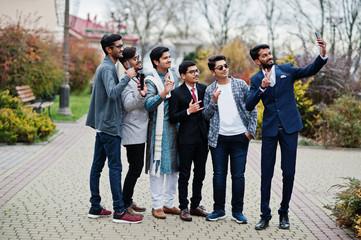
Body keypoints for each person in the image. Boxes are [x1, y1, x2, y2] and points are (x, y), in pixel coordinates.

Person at [246, 38, 327, 230]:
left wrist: (322, 55)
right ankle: (265, 215)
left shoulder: (287, 70)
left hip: (290, 128)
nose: (269, 56)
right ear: (257, 61)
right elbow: (249, 105)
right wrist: (262, 88)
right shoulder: (255, 80)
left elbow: (309, 70)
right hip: (270, 130)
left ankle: (284, 212)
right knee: (266, 174)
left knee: (288, 172)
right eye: (264, 55)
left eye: (269, 53)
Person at [85, 34, 142, 224]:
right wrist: (127, 77)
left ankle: (95, 206)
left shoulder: (106, 67)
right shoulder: (108, 69)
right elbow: (112, 93)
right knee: (115, 168)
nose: (121, 49)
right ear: (109, 49)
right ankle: (119, 211)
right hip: (109, 127)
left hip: (103, 125)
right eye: (118, 46)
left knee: (97, 167)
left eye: (122, 45)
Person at [202, 55, 257, 223]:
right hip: (218, 140)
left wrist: (250, 132)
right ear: (213, 72)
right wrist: (213, 101)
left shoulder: (240, 85)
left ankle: (237, 212)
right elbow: (206, 115)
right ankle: (219, 210)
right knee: (219, 175)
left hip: (240, 137)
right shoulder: (210, 90)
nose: (224, 69)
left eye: (225, 65)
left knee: (238, 176)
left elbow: (252, 108)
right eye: (220, 67)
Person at [169, 60, 210, 221]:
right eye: (192, 72)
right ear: (183, 75)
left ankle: (195, 206)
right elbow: (172, 117)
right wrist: (188, 110)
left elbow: (207, 114)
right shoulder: (177, 93)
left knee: (200, 173)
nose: (196, 74)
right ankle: (183, 208)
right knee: (184, 174)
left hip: (202, 139)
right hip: (186, 140)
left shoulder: (203, 89)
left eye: (197, 70)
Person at [143, 46, 180, 219]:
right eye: (165, 58)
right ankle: (156, 206)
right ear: (156, 62)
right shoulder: (150, 80)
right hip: (158, 129)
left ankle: (169, 203)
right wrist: (164, 92)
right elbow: (149, 104)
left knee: (174, 167)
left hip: (175, 128)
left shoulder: (174, 77)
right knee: (157, 167)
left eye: (169, 57)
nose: (169, 60)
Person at [118, 47, 148, 218]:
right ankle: (125, 203)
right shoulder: (125, 80)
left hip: (140, 129)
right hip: (132, 130)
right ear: (126, 63)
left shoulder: (137, 77)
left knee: (136, 167)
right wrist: (142, 96)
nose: (138, 60)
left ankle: (128, 200)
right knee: (135, 168)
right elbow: (129, 105)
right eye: (135, 58)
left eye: (139, 57)